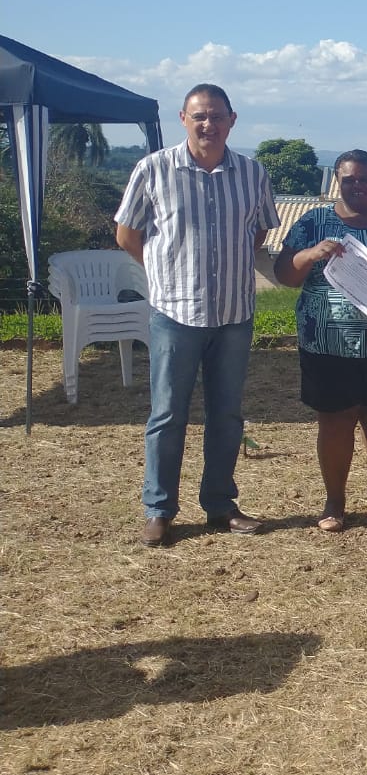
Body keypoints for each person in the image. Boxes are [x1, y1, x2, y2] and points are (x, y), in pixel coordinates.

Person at [116, 83, 280, 547]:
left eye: (217, 116)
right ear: (183, 119)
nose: (208, 124)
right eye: (199, 116)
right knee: (168, 415)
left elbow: (259, 232)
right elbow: (127, 234)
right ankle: (160, 509)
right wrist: (164, 275)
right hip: (175, 314)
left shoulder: (252, 173)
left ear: (232, 120)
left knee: (227, 415)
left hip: (233, 314)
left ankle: (220, 505)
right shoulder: (154, 170)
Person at [273, 150, 367, 533]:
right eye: (348, 179)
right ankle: (335, 500)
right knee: (336, 419)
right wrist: (310, 254)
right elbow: (284, 276)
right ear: (336, 182)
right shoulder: (314, 221)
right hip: (328, 340)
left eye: (364, 179)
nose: (357, 185)